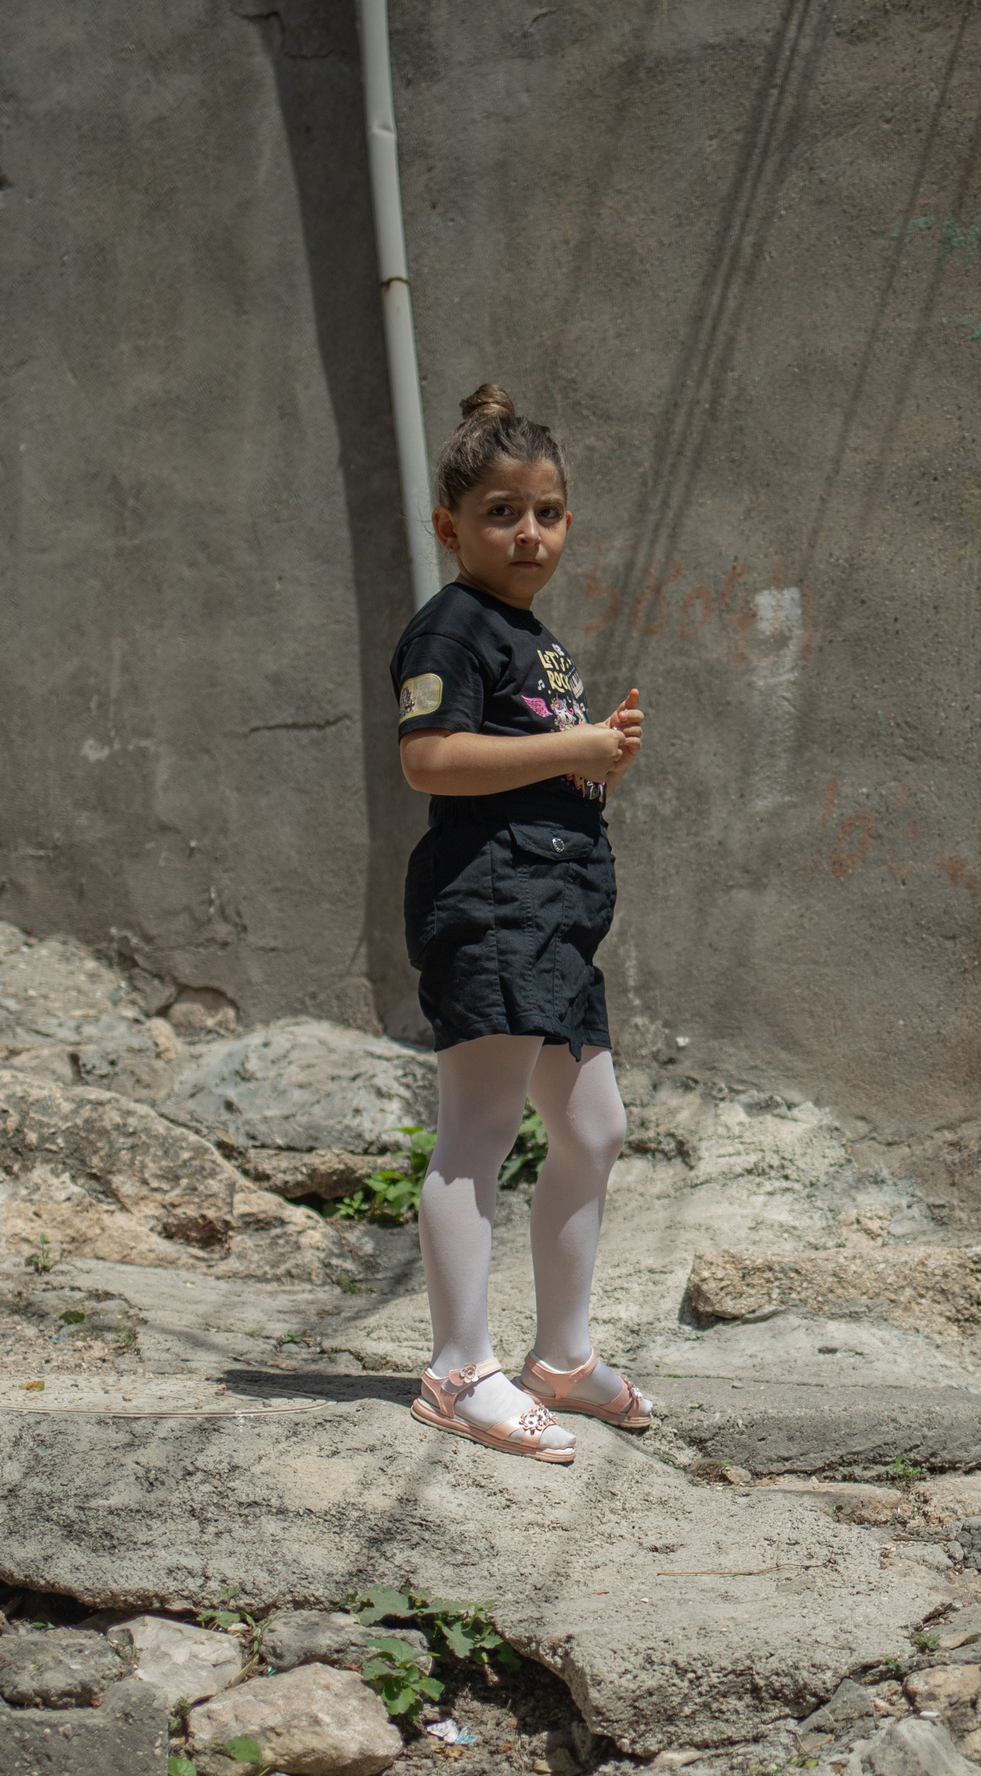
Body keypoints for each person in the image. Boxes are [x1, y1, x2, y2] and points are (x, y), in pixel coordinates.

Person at [388, 384, 652, 1463]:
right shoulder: (450, 624)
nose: (527, 532)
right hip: (489, 904)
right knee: (476, 1136)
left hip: (552, 920)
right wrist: (570, 750)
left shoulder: (528, 636)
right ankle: (457, 1370)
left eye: (545, 512)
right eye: (500, 512)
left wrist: (594, 758)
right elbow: (429, 761)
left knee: (594, 1130)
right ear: (449, 527)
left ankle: (561, 1359)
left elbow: (528, 765)